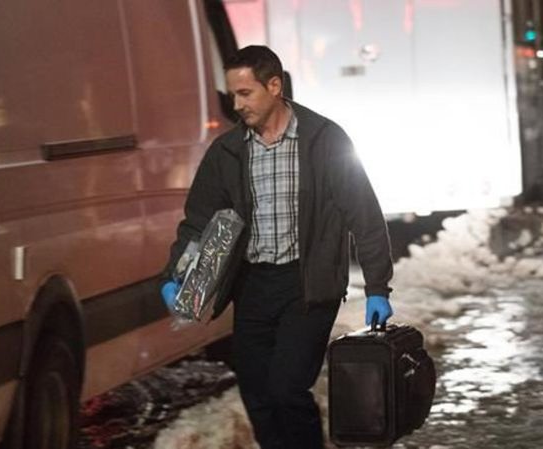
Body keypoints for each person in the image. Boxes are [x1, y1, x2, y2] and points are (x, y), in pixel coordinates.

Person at [160, 45, 393, 449]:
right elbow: (198, 221)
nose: (237, 105)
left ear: (274, 86)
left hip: (308, 286)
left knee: (287, 388)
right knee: (258, 394)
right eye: (232, 95)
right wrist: (175, 275)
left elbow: (364, 215)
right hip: (252, 286)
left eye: (245, 93)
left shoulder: (324, 141)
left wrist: (377, 288)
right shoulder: (228, 151)